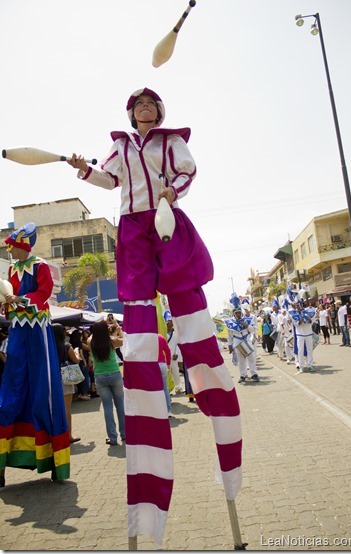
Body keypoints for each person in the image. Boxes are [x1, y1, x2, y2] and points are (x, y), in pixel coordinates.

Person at [67, 87, 242, 545]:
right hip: (132, 229)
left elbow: (188, 171)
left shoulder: (170, 142)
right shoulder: (122, 146)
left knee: (191, 309)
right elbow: (109, 181)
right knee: (140, 318)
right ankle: (144, 381)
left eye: (151, 105)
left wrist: (171, 190)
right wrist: (82, 168)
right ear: (130, 113)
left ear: (159, 112)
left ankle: (211, 379)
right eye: (138, 105)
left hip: (165, 219)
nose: (145, 109)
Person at [0, 223, 70, 487]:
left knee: (45, 393)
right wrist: (7, 301)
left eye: (13, 245)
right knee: (10, 393)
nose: (10, 249)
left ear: (24, 245)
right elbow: (10, 297)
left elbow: (44, 294)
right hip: (18, 331)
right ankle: (2, 464)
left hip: (38, 331)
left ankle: (54, 462)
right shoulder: (11, 269)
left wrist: (21, 300)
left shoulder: (40, 266)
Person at [88, 320, 125, 445]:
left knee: (107, 408)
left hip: (100, 377)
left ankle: (112, 438)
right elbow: (124, 339)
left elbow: (91, 336)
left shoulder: (91, 342)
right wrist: (116, 327)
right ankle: (125, 434)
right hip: (115, 375)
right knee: (120, 405)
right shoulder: (112, 341)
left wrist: (99, 328)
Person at [52, 323, 81, 443]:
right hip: (65, 378)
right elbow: (76, 360)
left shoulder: (48, 346)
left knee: (54, 409)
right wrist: (77, 352)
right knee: (67, 409)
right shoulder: (66, 346)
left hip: (52, 379)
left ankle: (56, 435)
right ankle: (68, 435)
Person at [226, 297, 259, 383]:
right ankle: (242, 375)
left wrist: (247, 326)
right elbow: (229, 335)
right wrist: (229, 345)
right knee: (241, 360)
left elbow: (254, 330)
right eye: (236, 313)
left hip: (246, 340)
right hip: (237, 342)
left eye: (239, 313)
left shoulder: (247, 319)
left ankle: (254, 374)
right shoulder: (230, 322)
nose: (238, 315)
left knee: (251, 357)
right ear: (234, 313)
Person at [70, 329, 91, 400]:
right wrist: (85, 362)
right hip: (80, 362)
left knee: (78, 380)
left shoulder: (71, 344)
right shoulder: (80, 344)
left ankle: (80, 394)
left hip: (74, 363)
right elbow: (81, 354)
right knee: (83, 378)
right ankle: (83, 394)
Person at [158, 333, 173, 417]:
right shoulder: (160, 337)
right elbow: (167, 350)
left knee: (155, 389)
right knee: (165, 388)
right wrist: (168, 364)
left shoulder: (146, 338)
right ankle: (168, 410)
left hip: (152, 366)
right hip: (162, 365)